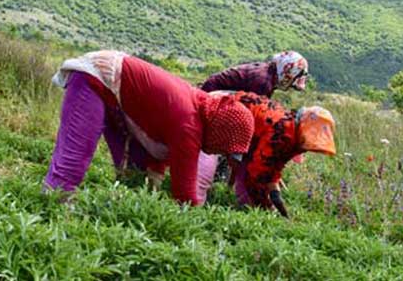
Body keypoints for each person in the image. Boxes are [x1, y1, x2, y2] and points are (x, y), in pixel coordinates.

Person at [44, 50, 254, 205]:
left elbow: (158, 147)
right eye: (221, 147)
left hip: (115, 90)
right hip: (96, 77)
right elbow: (185, 194)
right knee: (76, 154)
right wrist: (197, 228)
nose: (217, 152)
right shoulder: (189, 124)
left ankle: (117, 208)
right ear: (220, 132)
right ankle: (51, 209)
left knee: (136, 171)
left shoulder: (198, 106)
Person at [196, 91, 336, 216]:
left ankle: (244, 210)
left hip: (235, 120)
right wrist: (266, 207)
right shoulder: (281, 133)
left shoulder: (292, 134)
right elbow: (257, 174)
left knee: (243, 173)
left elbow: (274, 168)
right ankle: (192, 209)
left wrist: (276, 197)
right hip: (221, 110)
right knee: (204, 172)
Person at [200, 51, 309, 98]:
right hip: (211, 93)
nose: (290, 85)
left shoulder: (267, 72)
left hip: (212, 89)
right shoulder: (263, 82)